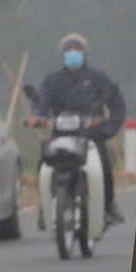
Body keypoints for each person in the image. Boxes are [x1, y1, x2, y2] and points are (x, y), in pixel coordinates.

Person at [32, 33, 126, 223]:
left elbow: (117, 104)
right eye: (68, 49)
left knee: (104, 164)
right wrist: (38, 117)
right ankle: (46, 206)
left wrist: (107, 128)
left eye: (77, 49)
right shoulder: (52, 80)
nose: (72, 53)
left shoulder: (98, 78)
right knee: (44, 165)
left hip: (91, 136)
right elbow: (40, 104)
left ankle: (107, 205)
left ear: (84, 53)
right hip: (60, 136)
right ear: (62, 54)